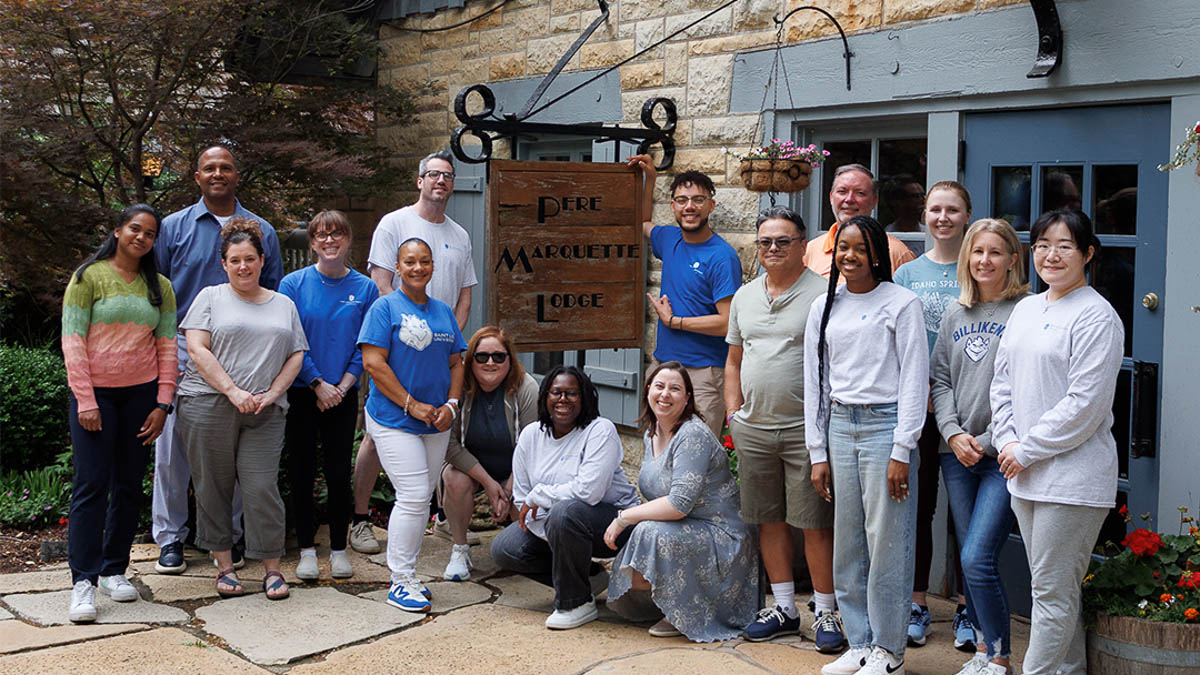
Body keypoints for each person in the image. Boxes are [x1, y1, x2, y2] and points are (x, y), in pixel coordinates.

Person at [990, 208, 1123, 675]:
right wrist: (1007, 439)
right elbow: (1001, 381)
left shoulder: (1096, 316)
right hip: (1024, 472)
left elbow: (1084, 403)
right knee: (1056, 589)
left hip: (1071, 477)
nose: (1052, 254)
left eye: (1065, 245)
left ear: (1087, 254)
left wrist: (1026, 449)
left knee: (1050, 593)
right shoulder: (1027, 307)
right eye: (1043, 244)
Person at [152, 145, 284, 575]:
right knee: (173, 456)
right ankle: (170, 538)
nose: (217, 174)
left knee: (238, 459)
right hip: (185, 361)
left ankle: (230, 538)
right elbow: (158, 295)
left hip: (248, 365)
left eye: (225, 167)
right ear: (197, 176)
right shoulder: (173, 228)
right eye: (209, 168)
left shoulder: (262, 230)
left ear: (236, 174)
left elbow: (275, 294)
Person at [805, 215, 928, 675]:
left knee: (888, 540)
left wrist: (903, 447)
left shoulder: (901, 303)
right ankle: (857, 641)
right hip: (840, 424)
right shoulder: (824, 308)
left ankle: (888, 649)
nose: (849, 256)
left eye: (859, 248)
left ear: (877, 253)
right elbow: (815, 381)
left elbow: (915, 378)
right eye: (842, 248)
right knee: (849, 540)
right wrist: (817, 451)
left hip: (885, 426)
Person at [723, 207, 842, 650]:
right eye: (765, 242)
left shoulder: (825, 292)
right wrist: (734, 414)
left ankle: (827, 612)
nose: (773, 249)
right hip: (754, 428)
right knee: (767, 519)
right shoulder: (745, 297)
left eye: (783, 241)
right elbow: (733, 360)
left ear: (802, 244)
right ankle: (785, 607)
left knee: (814, 523)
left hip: (805, 429)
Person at [353, 149, 478, 554]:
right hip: (398, 347)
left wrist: (445, 340)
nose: (441, 181)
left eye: (448, 176)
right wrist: (410, 332)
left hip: (440, 349)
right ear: (420, 181)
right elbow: (381, 283)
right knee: (379, 436)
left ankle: (441, 517)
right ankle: (359, 518)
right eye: (433, 174)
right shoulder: (395, 223)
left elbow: (464, 296)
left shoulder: (459, 235)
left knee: (437, 428)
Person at [175, 218, 307, 600]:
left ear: (262, 260)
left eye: (250, 258)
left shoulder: (283, 304)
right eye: (235, 260)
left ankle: (271, 568)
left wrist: (271, 394)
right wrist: (233, 391)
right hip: (208, 403)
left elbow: (296, 355)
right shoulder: (210, 298)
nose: (243, 266)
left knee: (261, 486)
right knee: (213, 486)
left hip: (265, 410)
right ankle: (225, 566)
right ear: (224, 264)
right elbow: (198, 349)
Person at [62, 204, 178, 623]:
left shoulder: (159, 285)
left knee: (128, 485)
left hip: (141, 397)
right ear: (117, 231)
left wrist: (164, 403)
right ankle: (83, 581)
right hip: (96, 398)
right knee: (91, 486)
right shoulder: (87, 278)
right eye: (135, 229)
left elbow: (167, 346)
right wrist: (86, 401)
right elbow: (72, 342)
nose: (141, 238)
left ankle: (114, 569)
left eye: (149, 234)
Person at [931, 219, 1029, 675]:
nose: (985, 261)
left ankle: (1000, 656)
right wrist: (952, 433)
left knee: (976, 555)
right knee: (973, 561)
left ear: (1013, 259)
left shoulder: (1026, 311)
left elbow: (1029, 390)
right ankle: (991, 654)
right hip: (957, 454)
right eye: (977, 252)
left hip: (1001, 456)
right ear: (967, 259)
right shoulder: (956, 312)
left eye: (995, 252)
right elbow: (941, 379)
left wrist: (987, 442)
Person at [605, 361, 758, 642]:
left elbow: (678, 504)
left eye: (675, 389)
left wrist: (624, 517)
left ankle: (684, 612)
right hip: (688, 529)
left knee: (647, 531)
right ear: (648, 389)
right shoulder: (651, 433)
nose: (665, 394)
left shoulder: (691, 434)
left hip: (722, 536)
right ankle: (675, 601)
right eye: (659, 386)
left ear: (687, 397)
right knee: (641, 547)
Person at [358, 237, 467, 613]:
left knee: (421, 499)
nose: (417, 268)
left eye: (424, 261)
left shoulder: (443, 311)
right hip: (394, 419)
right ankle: (400, 580)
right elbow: (373, 364)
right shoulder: (384, 308)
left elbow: (457, 362)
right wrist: (412, 404)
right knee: (415, 494)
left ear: (433, 266)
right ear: (398, 267)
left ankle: (408, 574)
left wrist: (451, 405)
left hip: (436, 420)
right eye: (409, 262)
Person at [891, 181, 976, 650]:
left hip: (966, 413)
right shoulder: (908, 275)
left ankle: (968, 606)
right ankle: (917, 602)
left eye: (953, 209)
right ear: (924, 216)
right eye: (935, 209)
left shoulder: (978, 270)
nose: (943, 217)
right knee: (918, 511)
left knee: (964, 514)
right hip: (917, 409)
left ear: (967, 215)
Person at [491, 366, 640, 630]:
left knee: (565, 512)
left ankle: (575, 603)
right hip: (558, 524)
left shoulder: (600, 430)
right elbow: (522, 498)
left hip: (613, 525)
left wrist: (543, 499)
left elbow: (588, 493)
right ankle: (588, 579)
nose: (563, 399)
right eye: (556, 392)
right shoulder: (531, 435)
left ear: (585, 398)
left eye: (572, 393)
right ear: (544, 397)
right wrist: (556, 535)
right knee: (505, 548)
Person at [279, 210, 378, 582]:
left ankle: (338, 549)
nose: (329, 241)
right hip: (303, 391)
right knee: (302, 472)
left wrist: (345, 384)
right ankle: (306, 549)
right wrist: (318, 382)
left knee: (338, 474)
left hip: (343, 393)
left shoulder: (365, 288)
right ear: (312, 242)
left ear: (348, 239)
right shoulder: (292, 284)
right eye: (321, 235)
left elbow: (365, 343)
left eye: (337, 234)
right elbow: (290, 340)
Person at [627, 154, 742, 437]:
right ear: (674, 206)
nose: (689, 206)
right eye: (682, 200)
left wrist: (675, 321)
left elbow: (728, 323)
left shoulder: (721, 256)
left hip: (703, 374)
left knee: (697, 455)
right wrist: (650, 179)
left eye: (698, 200)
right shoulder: (669, 239)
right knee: (658, 444)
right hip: (663, 367)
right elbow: (641, 222)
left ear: (710, 205)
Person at [441, 325, 538, 581]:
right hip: (472, 465)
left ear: (510, 359)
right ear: (470, 360)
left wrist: (507, 489)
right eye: (481, 357)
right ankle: (460, 549)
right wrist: (488, 483)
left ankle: (528, 553)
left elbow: (532, 445)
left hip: (517, 466)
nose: (490, 362)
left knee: (524, 498)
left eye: (499, 356)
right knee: (453, 478)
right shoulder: (457, 387)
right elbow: (449, 445)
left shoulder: (527, 388)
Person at [803, 164, 916, 279]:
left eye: (860, 193)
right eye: (842, 191)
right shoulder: (810, 250)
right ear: (831, 197)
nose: (849, 199)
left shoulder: (896, 252)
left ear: (874, 201)